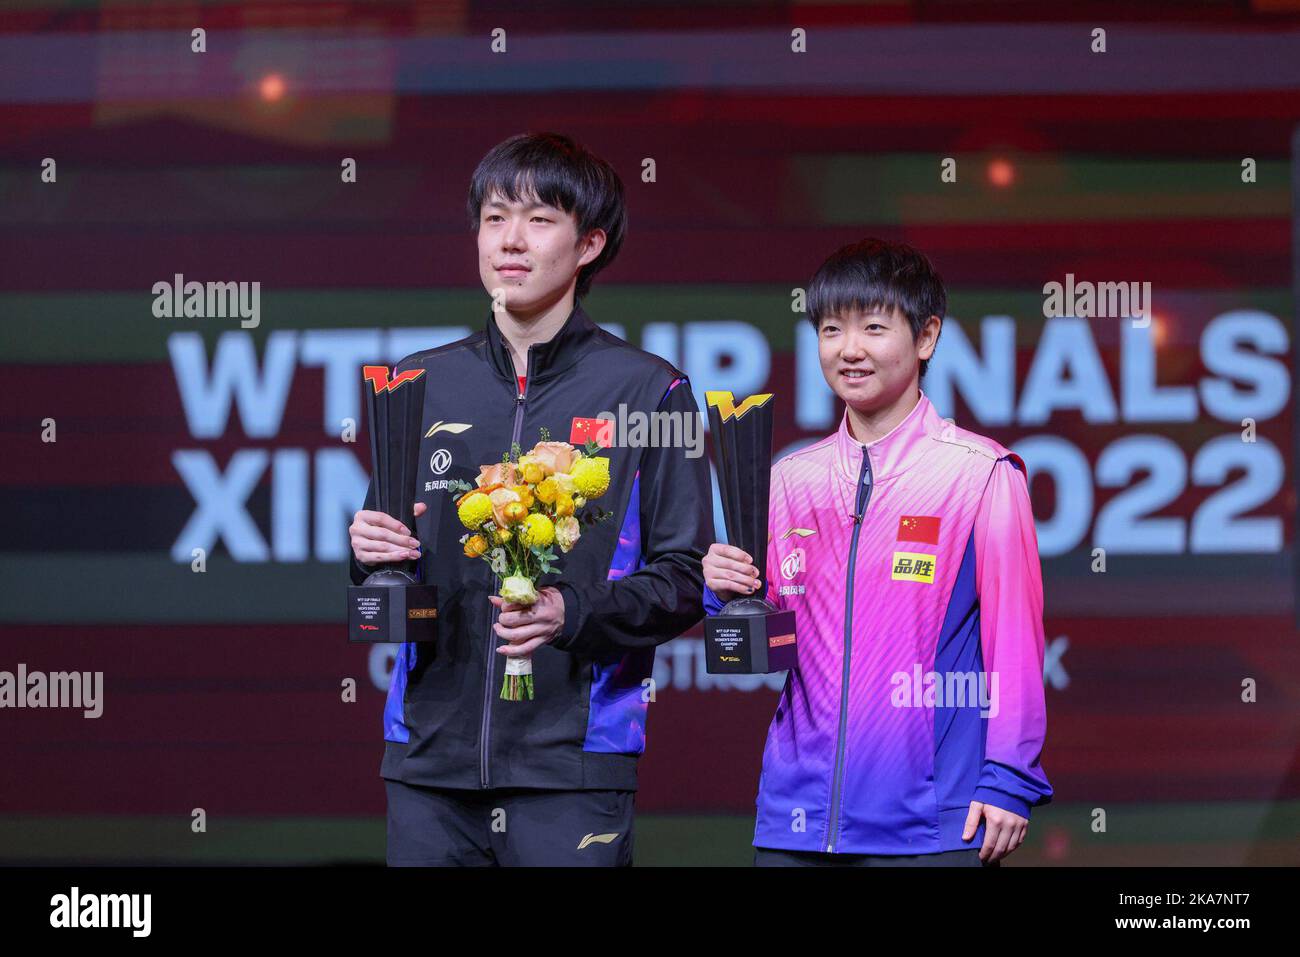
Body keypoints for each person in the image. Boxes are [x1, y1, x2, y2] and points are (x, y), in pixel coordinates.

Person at [349, 132, 712, 866]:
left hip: (571, 770)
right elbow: (382, 573)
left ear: (589, 244)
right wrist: (365, 556)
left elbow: (688, 576)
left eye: (539, 218)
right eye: (494, 216)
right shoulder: (417, 383)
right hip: (428, 767)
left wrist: (569, 614)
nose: (510, 240)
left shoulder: (649, 390)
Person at [703, 238, 1052, 866]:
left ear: (926, 338)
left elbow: (1017, 643)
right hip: (796, 820)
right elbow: (766, 651)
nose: (849, 349)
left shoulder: (981, 474)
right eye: (831, 329)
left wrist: (1009, 776)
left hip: (931, 822)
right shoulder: (791, 478)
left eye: (873, 326)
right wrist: (728, 594)